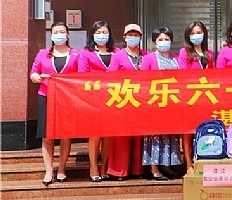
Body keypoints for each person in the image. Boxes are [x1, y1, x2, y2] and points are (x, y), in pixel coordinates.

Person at [29, 22, 78, 186]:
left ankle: (62, 169)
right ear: (51, 35)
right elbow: (33, 73)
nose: (59, 35)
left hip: (67, 99)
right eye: (56, 32)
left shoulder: (76, 55)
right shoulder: (43, 53)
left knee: (65, 135)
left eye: (62, 32)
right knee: (47, 135)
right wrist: (38, 77)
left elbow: (81, 77)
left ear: (68, 35)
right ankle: (49, 170)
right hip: (46, 96)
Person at [77, 20, 118, 182]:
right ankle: (93, 167)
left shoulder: (116, 51)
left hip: (112, 98)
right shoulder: (86, 53)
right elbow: (82, 75)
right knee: (95, 135)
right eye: (98, 33)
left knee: (108, 135)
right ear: (92, 35)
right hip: (93, 99)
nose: (102, 35)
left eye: (104, 32)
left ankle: (104, 167)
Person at [140, 27, 182, 180]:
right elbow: (143, 80)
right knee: (155, 135)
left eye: (167, 39)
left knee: (170, 134)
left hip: (172, 102)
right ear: (154, 42)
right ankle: (154, 167)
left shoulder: (176, 58)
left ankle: (167, 164)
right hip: (155, 102)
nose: (164, 42)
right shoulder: (149, 58)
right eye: (160, 40)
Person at [106, 24, 147, 180]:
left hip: (141, 101)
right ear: (124, 37)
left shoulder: (146, 55)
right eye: (130, 35)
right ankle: (118, 170)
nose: (133, 38)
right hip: (122, 100)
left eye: (136, 35)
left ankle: (138, 170)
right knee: (121, 137)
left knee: (139, 136)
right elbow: (111, 78)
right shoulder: (118, 56)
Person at [178, 21, 214, 174]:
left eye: (199, 33)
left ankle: (203, 158)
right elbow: (183, 73)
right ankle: (188, 163)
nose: (196, 36)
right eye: (192, 33)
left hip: (206, 98)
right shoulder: (184, 52)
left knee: (204, 129)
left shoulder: (209, 53)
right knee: (188, 131)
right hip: (190, 97)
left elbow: (214, 74)